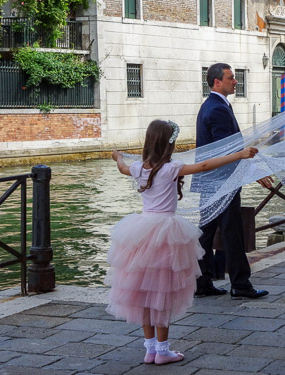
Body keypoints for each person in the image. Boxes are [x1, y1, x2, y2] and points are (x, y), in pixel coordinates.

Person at [106, 120, 258, 365]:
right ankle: (163, 350)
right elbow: (205, 165)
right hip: (166, 234)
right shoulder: (171, 168)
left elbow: (122, 167)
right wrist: (239, 154)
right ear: (169, 143)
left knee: (145, 294)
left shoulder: (139, 168)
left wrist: (117, 157)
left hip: (141, 233)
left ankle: (150, 349)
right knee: (162, 294)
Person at [195, 63, 271, 299]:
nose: (235, 81)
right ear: (217, 82)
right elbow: (227, 153)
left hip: (211, 180)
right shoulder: (217, 109)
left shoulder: (211, 105)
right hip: (222, 181)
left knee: (206, 233)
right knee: (232, 232)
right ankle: (240, 284)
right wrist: (254, 172)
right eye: (231, 78)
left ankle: (202, 281)